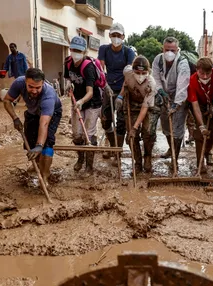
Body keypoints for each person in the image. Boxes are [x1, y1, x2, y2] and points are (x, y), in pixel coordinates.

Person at [2, 68, 62, 184]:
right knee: (30, 141)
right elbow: (7, 101)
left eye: (37, 88)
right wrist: (15, 119)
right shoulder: (19, 83)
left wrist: (39, 145)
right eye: (31, 87)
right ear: (25, 81)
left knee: (47, 142)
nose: (34, 91)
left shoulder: (48, 95)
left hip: (52, 113)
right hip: (32, 111)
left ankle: (45, 174)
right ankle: (38, 164)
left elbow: (44, 123)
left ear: (43, 83)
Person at [98, 23, 136, 163]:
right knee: (105, 120)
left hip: (123, 88)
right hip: (107, 88)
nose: (115, 38)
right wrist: (105, 85)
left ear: (123, 37)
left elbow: (129, 75)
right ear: (109, 36)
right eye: (113, 35)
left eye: (118, 35)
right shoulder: (104, 49)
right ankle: (112, 146)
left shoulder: (128, 52)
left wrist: (121, 94)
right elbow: (100, 69)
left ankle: (118, 153)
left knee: (121, 121)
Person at [64, 36, 102, 174]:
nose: (75, 53)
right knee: (77, 134)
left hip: (92, 102)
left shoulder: (88, 67)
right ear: (70, 49)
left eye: (78, 50)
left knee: (89, 134)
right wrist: (68, 83)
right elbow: (68, 77)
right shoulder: (68, 62)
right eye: (73, 49)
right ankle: (80, 159)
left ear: (84, 51)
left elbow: (90, 92)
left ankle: (89, 165)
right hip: (77, 100)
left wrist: (81, 101)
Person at [152, 36, 190, 169]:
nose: (169, 52)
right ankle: (170, 148)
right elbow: (155, 77)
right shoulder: (158, 59)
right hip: (163, 96)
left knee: (177, 129)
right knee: (166, 127)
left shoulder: (182, 62)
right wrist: (161, 91)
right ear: (163, 49)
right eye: (167, 49)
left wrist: (176, 104)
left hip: (180, 97)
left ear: (177, 49)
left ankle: (175, 158)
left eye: (172, 50)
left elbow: (183, 84)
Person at [119, 55, 160, 173]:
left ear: (148, 71)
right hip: (132, 104)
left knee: (148, 132)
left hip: (148, 106)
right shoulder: (128, 73)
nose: (140, 76)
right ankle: (137, 162)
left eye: (144, 73)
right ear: (133, 71)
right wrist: (120, 97)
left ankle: (147, 157)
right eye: (137, 72)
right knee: (132, 136)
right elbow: (125, 85)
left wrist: (135, 126)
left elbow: (145, 107)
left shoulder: (151, 84)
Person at [187, 57, 213, 173]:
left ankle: (207, 151)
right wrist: (201, 125)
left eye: (208, 73)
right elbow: (195, 105)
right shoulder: (192, 81)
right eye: (202, 73)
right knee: (200, 135)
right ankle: (200, 163)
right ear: (197, 70)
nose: (205, 76)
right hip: (200, 105)